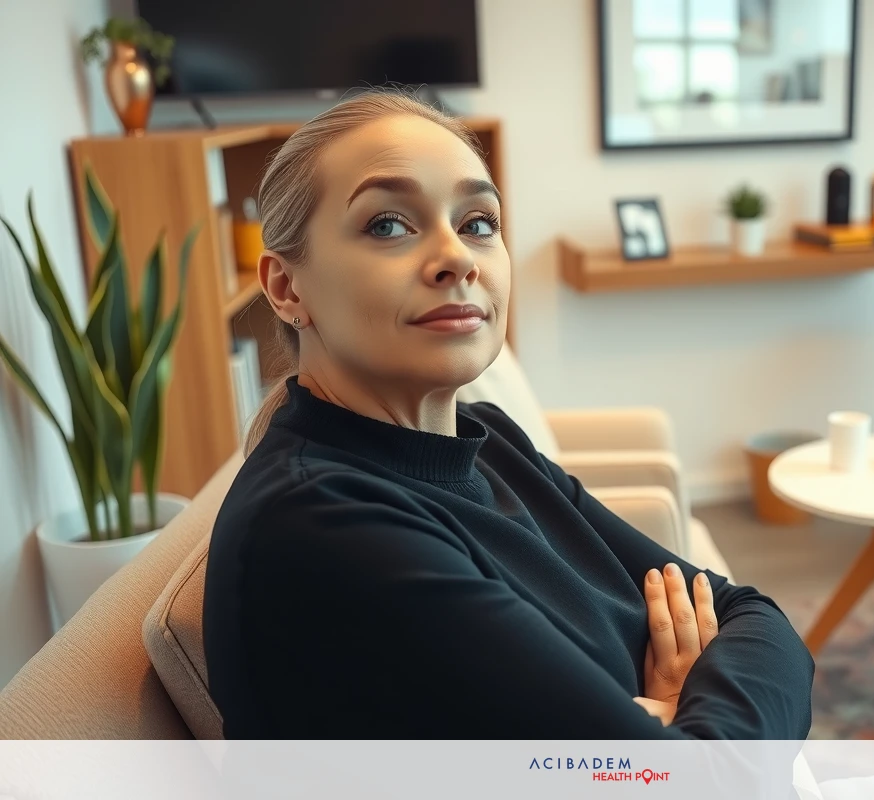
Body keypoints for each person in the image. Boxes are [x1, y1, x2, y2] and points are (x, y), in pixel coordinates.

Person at [202, 89, 814, 739]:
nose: (456, 258)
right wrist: (671, 699)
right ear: (286, 286)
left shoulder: (489, 442)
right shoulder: (327, 526)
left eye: (477, 223)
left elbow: (752, 614)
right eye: (388, 225)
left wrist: (680, 720)